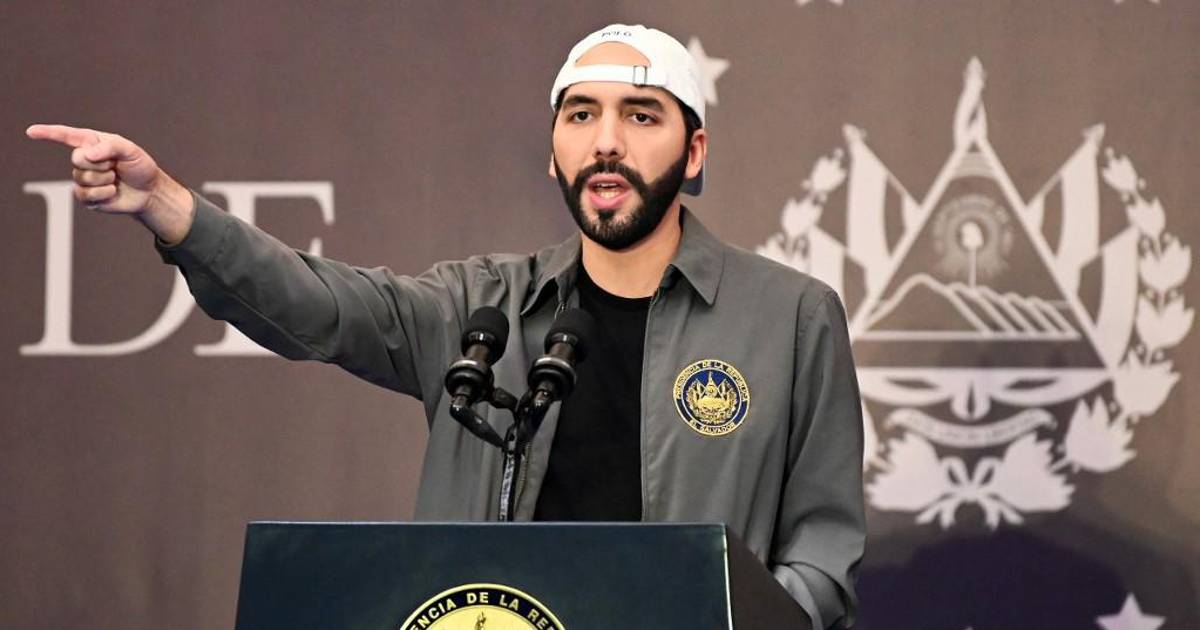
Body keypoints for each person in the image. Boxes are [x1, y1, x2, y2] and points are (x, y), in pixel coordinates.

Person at [27, 24, 865, 629]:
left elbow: (823, 553)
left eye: (641, 115)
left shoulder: (791, 317)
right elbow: (318, 304)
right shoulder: (481, 307)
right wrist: (171, 208)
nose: (606, 142)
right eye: (581, 115)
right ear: (553, 153)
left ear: (694, 151)